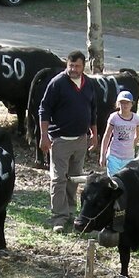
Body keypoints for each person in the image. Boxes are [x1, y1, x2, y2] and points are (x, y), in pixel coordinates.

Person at [38, 50, 97, 232]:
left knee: (74, 178)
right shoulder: (57, 83)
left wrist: (94, 134)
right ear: (67, 64)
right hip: (60, 140)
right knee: (58, 179)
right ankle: (59, 217)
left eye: (77, 66)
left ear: (83, 66)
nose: (73, 69)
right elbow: (44, 109)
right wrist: (44, 135)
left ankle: (71, 211)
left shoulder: (89, 84)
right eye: (70, 65)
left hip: (81, 139)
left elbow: (93, 109)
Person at [100, 90, 139, 175]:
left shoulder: (137, 119)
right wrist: (102, 155)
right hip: (114, 156)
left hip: (129, 158)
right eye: (122, 102)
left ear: (132, 104)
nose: (125, 105)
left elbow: (138, 136)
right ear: (118, 104)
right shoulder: (114, 117)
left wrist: (131, 145)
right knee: (113, 182)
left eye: (127, 103)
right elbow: (107, 136)